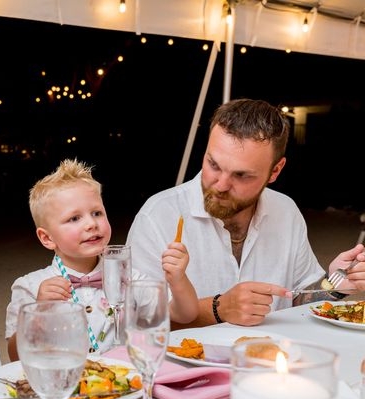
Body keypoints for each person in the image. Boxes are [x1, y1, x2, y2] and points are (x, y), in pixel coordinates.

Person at [127, 98, 365, 329]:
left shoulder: (285, 210)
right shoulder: (158, 216)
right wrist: (220, 309)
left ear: (275, 171)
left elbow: (295, 299)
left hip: (273, 360)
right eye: (213, 165)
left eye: (241, 175)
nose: (220, 184)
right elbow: (138, 320)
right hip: (184, 367)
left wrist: (334, 285)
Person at [5, 159, 198, 361]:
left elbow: (185, 314)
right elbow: (14, 355)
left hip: (125, 383)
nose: (91, 224)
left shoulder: (129, 279)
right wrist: (39, 312)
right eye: (74, 218)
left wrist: (178, 279)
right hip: (63, 387)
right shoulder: (29, 288)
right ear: (47, 238)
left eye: (97, 213)